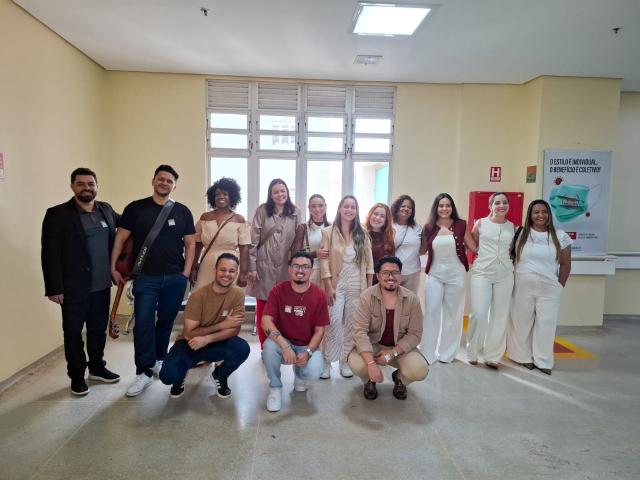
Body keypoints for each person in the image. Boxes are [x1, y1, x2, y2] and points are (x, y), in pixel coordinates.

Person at [111, 165, 196, 397]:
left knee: (166, 322)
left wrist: (185, 273)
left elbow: (190, 244)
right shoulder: (135, 208)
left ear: (174, 186)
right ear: (153, 181)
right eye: (161, 179)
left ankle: (159, 359)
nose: (164, 183)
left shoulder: (182, 211)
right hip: (145, 277)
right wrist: (113, 267)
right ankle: (144, 371)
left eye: (169, 181)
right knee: (143, 324)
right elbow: (120, 239)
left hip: (175, 277)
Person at [41, 168, 120, 396]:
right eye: (81, 184)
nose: (87, 188)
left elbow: (127, 228)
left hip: (102, 286)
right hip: (73, 288)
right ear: (72, 186)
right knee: (73, 333)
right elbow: (49, 254)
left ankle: (97, 367)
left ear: (97, 186)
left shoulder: (106, 209)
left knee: (97, 331)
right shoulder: (58, 214)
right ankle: (77, 376)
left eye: (91, 184)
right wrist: (54, 288)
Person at [159, 253, 250, 397]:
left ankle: (219, 375)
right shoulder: (198, 296)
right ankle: (180, 376)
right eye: (223, 270)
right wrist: (222, 325)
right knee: (167, 376)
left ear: (236, 273)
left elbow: (234, 330)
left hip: (216, 341)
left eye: (231, 271)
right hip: (191, 343)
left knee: (242, 349)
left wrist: (207, 339)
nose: (227, 274)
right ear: (215, 270)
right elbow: (189, 333)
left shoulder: (238, 294)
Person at [348, 256, 428, 400]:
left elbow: (415, 334)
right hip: (373, 347)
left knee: (419, 370)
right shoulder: (367, 297)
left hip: (399, 348)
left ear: (400, 275)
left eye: (395, 273)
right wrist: (371, 363)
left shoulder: (412, 299)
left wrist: (392, 353)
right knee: (357, 364)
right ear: (378, 276)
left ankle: (400, 379)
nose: (391, 277)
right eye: (385, 273)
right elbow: (359, 332)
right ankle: (369, 380)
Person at [507, 200, 572, 375]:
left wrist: (559, 286)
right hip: (522, 284)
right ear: (530, 215)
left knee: (546, 324)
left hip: (549, 286)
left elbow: (566, 264)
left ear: (549, 214)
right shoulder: (520, 233)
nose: (540, 215)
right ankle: (522, 357)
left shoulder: (560, 236)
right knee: (521, 322)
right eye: (536, 212)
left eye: (544, 212)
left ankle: (543, 360)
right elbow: (509, 257)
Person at [261, 252, 329, 412]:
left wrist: (308, 352)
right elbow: (266, 321)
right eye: (296, 266)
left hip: (305, 345)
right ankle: (275, 388)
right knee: (269, 347)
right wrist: (285, 346)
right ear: (290, 269)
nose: (300, 270)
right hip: (283, 342)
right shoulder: (278, 291)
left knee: (314, 371)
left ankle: (300, 375)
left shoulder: (319, 295)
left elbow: (320, 331)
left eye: (305, 267)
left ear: (311, 270)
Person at [319, 195, 374, 379]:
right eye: (346, 206)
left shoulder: (363, 234)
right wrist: (328, 286)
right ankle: (327, 362)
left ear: (356, 211)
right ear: (340, 209)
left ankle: (345, 361)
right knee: (333, 322)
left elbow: (369, 264)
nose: (349, 210)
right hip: (336, 283)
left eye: (353, 207)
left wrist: (369, 289)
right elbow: (324, 261)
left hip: (357, 284)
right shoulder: (328, 232)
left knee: (352, 324)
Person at [420, 193, 477, 364]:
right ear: (436, 208)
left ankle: (447, 353)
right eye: (441, 205)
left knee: (453, 314)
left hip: (456, 274)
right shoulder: (429, 227)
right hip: (435, 274)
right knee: (432, 311)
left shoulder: (461, 224)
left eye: (448, 205)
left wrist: (463, 246)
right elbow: (422, 250)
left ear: (452, 208)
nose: (444, 208)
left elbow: (473, 247)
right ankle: (428, 353)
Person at [247, 178, 301, 348]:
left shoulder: (295, 212)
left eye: (283, 191)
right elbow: (253, 242)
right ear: (271, 195)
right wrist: (252, 268)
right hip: (264, 266)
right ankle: (265, 348)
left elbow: (298, 242)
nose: (280, 194)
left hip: (286, 267)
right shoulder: (262, 211)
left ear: (287, 192)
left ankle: (280, 347)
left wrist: (297, 267)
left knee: (284, 310)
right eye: (276, 192)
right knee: (263, 310)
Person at [467, 192, 515, 369]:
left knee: (500, 314)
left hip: (505, 274)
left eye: (504, 202)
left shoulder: (513, 227)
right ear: (490, 206)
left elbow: (512, 250)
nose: (501, 206)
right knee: (479, 313)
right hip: (482, 272)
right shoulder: (481, 223)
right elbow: (472, 244)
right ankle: (472, 351)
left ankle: (493, 355)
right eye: (497, 202)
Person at [190, 177, 250, 291]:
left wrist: (243, 272)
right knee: (203, 296)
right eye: (217, 194)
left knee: (227, 298)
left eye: (225, 194)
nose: (221, 197)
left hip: (230, 267)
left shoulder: (239, 219)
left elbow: (244, 249)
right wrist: (193, 267)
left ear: (232, 196)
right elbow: (197, 245)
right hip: (207, 265)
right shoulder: (205, 218)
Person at [290, 194, 331, 286]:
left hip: (329, 273)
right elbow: (295, 255)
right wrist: (315, 254)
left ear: (325, 207)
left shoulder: (332, 227)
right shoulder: (303, 228)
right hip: (310, 273)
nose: (317, 209)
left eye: (320, 205)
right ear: (309, 208)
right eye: (313, 206)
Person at [391, 195, 422, 294]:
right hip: (393, 272)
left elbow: (422, 248)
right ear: (397, 207)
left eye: (409, 207)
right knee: (391, 300)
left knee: (410, 301)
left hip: (413, 272)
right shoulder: (389, 225)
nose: (406, 209)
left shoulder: (417, 227)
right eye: (403, 206)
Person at [364, 203, 395, 285]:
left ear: (385, 221)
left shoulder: (389, 240)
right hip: (360, 281)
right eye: (375, 214)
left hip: (379, 283)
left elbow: (391, 265)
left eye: (382, 216)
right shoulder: (361, 235)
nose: (377, 218)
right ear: (370, 215)